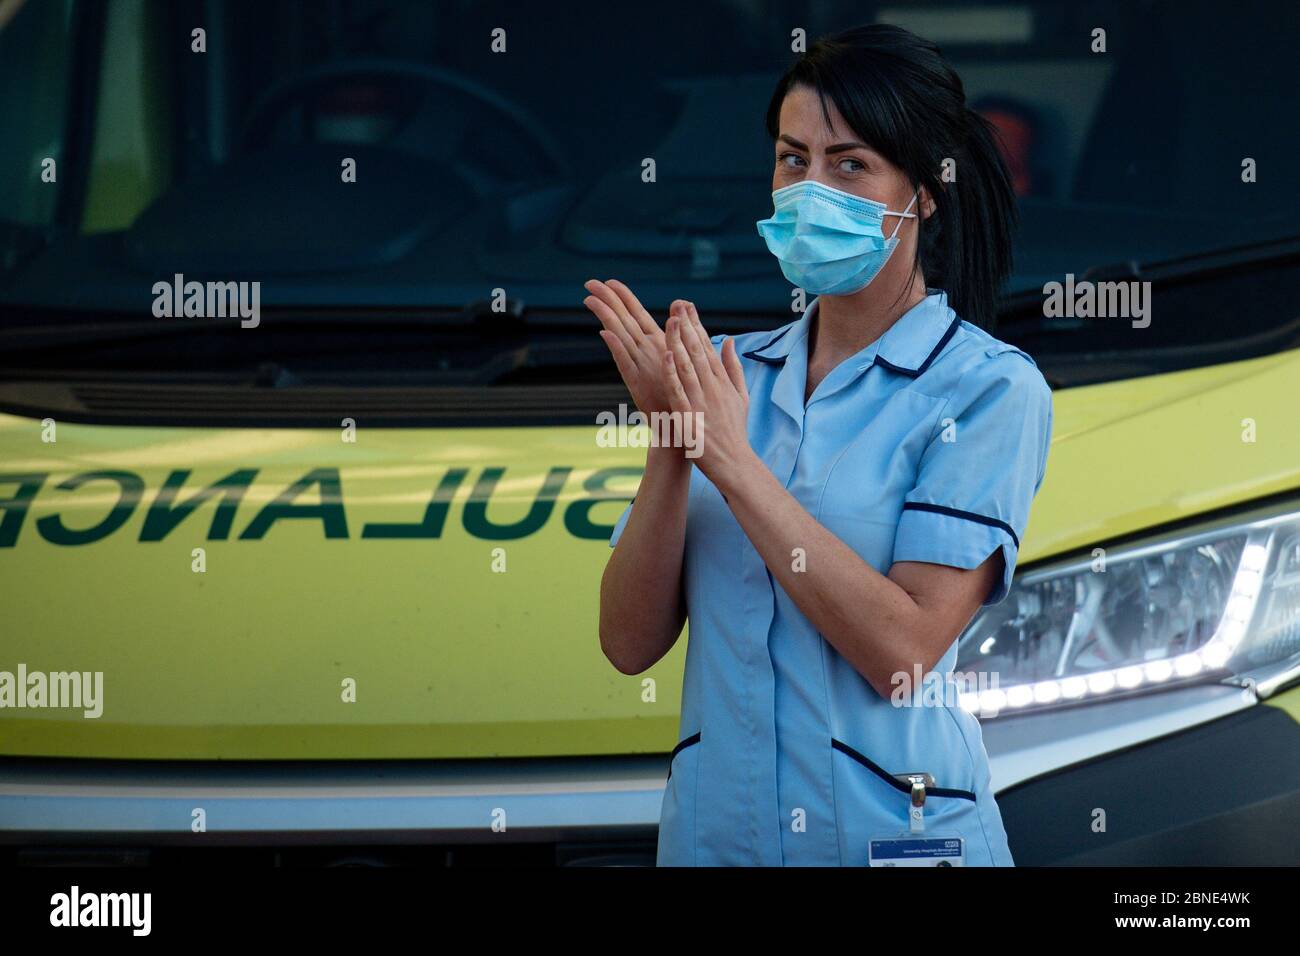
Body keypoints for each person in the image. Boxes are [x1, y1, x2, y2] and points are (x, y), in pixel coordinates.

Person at [583, 23, 1052, 866]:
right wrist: (672, 444)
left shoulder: (987, 388)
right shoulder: (733, 377)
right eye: (791, 159)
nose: (810, 189)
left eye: (850, 164)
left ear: (927, 190)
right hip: (717, 844)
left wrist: (730, 459)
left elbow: (902, 652)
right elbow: (627, 643)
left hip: (892, 842)